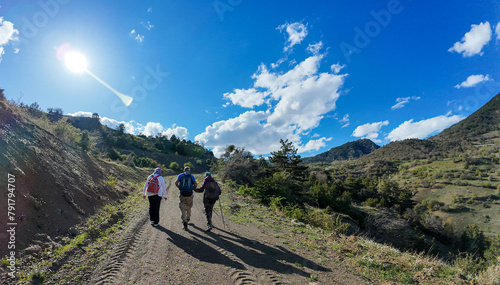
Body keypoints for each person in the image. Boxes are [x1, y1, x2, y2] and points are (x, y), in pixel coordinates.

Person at [175, 166, 197, 230]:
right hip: (190, 194)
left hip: (182, 194)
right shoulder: (191, 176)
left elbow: (176, 183)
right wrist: (192, 189)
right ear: (189, 171)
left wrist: (179, 187)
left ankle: (185, 223)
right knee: (189, 207)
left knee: (183, 208)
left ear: (184, 170)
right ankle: (188, 218)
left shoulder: (180, 175)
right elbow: (195, 184)